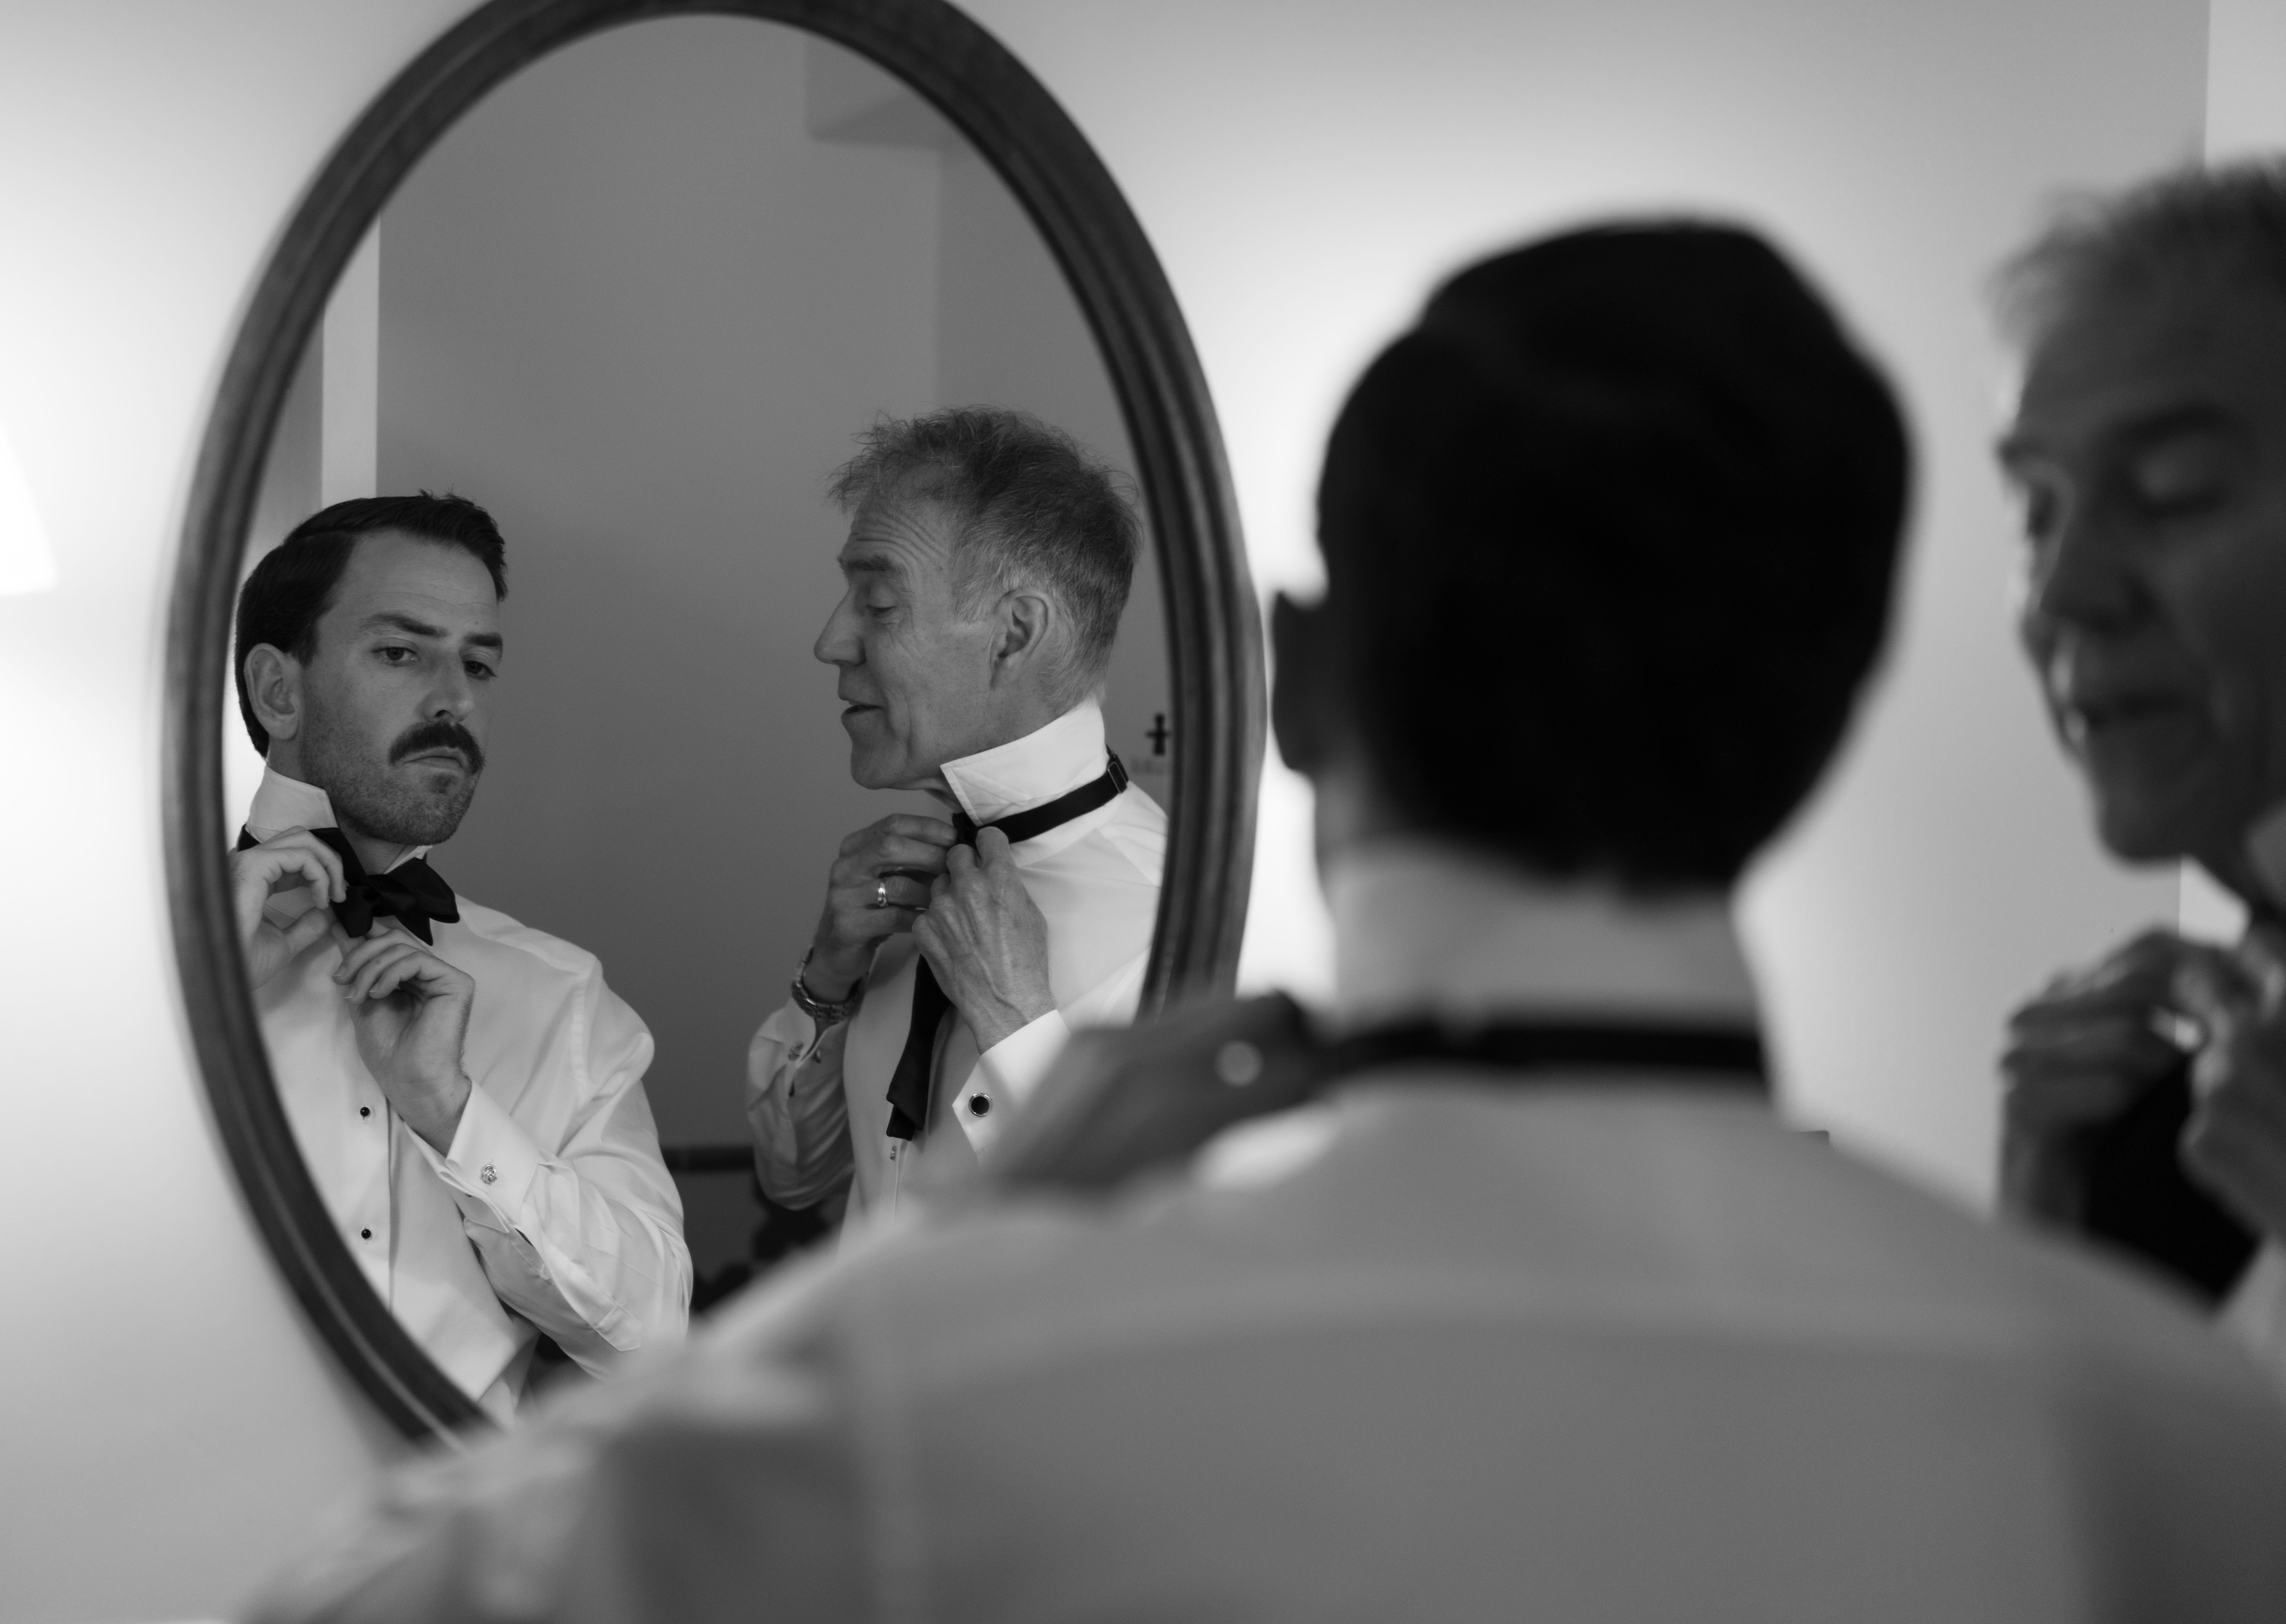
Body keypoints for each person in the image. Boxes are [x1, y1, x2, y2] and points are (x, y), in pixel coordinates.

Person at [250, 227, 2286, 1623]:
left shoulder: (973, 1371)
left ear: (1288, 686)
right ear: (1835, 712)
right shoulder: (2173, 1432)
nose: (825, 645)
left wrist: (964, 1248)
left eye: (867, 597)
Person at [230, 493, 690, 1423]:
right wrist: (193, 1001)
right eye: (401, 654)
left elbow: (650, 1338)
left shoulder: (560, 996)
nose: (457, 700)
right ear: (280, 691)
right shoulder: (116, 968)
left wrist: (455, 1115)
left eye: (478, 664)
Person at [1994, 161, 2286, 1372]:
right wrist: (2044, 1249)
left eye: (2171, 495)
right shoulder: (2154, 1119)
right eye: (2037, 511)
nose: (2063, 593)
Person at [745, 407, 1163, 1225]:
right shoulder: (901, 895)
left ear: (1014, 633)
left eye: (878, 603)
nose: (831, 641)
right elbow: (793, 1178)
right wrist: (829, 981)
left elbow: (1163, 1265)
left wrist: (1016, 1027)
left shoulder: (1172, 925)